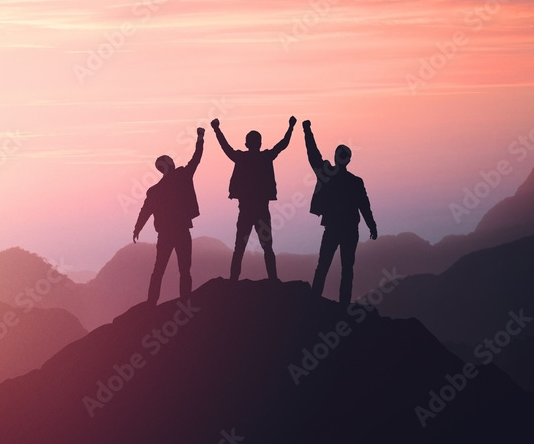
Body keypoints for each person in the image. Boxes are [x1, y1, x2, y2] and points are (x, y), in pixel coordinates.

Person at [210, 116, 296, 281]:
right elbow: (282, 145)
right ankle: (272, 280)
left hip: (246, 211)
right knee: (267, 247)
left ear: (247, 143)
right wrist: (291, 127)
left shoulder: (241, 158)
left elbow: (225, 147)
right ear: (260, 143)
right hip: (262, 211)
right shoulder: (265, 157)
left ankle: (234, 280)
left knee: (240, 248)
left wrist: (217, 129)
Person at [302, 119, 378, 305]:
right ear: (349, 159)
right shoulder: (356, 182)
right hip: (351, 229)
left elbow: (313, 155)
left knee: (323, 266)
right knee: (347, 269)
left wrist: (307, 131)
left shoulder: (327, 175)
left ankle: (314, 301)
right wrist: (372, 226)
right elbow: (364, 206)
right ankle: (343, 305)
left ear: (336, 157)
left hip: (333, 228)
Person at [133, 127, 204, 305]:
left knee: (159, 269)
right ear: (170, 165)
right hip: (181, 231)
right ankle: (185, 300)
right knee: (184, 269)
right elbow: (196, 159)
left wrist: (137, 228)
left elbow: (145, 211)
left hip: (165, 234)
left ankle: (151, 302)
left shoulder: (155, 190)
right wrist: (200, 138)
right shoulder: (183, 176)